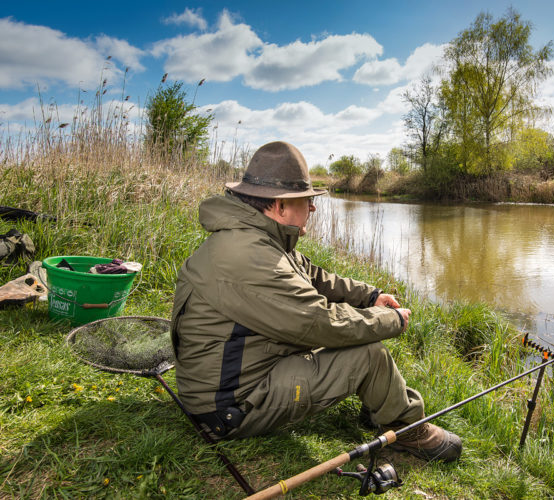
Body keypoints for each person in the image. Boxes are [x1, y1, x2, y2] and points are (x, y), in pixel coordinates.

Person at [170, 141, 461, 462]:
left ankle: (381, 407)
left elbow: (313, 276)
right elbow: (320, 323)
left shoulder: (252, 237)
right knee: (368, 354)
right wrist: (394, 321)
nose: (312, 208)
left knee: (355, 342)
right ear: (280, 206)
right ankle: (408, 431)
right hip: (228, 406)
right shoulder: (250, 256)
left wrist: (372, 296)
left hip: (230, 379)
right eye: (306, 200)